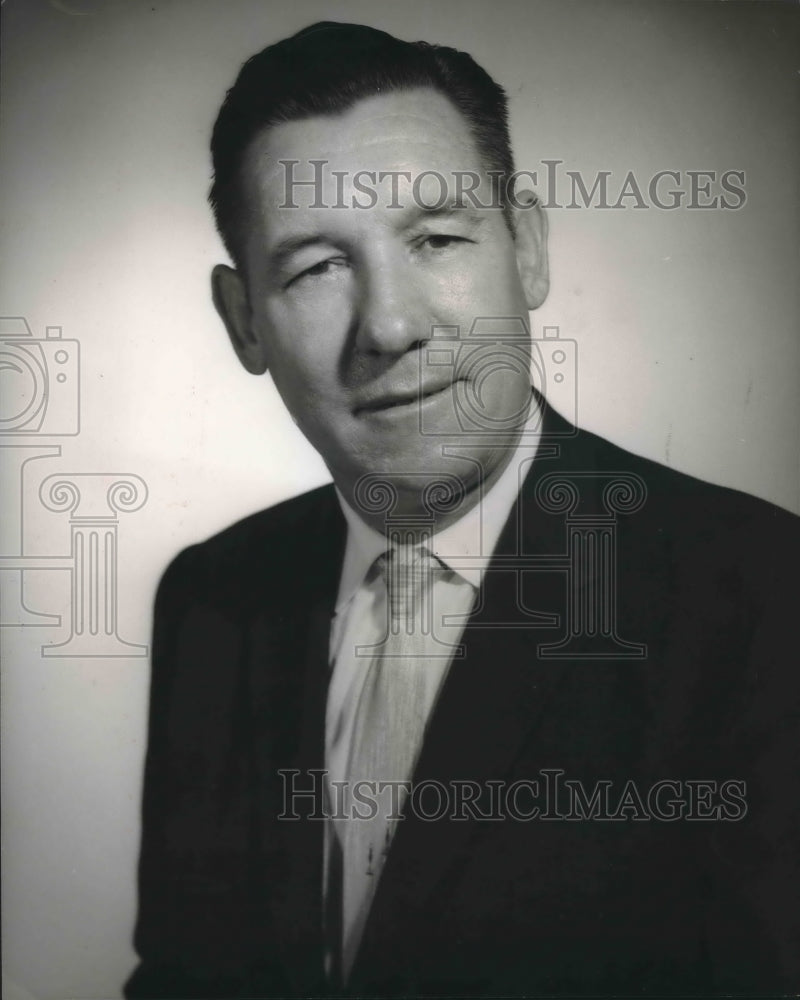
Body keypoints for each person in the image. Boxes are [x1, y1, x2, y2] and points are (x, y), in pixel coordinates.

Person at [126, 21, 799, 998]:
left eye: (435, 239)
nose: (391, 326)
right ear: (243, 322)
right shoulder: (211, 597)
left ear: (525, 248)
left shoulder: (760, 594)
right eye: (316, 265)